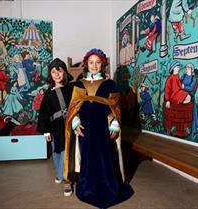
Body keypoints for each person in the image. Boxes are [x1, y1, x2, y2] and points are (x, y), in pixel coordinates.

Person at [64, 48, 134, 209]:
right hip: (85, 129)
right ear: (86, 64)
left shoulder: (110, 84)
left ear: (102, 64)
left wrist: (114, 123)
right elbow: (73, 107)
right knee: (87, 157)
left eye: (98, 62)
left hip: (103, 128)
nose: (94, 65)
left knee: (105, 157)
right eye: (91, 62)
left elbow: (115, 107)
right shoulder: (79, 84)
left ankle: (108, 188)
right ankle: (88, 188)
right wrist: (75, 122)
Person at [37, 58, 74, 197]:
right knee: (56, 152)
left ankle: (66, 180)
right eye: (53, 72)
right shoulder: (48, 93)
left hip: (69, 126)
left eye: (60, 71)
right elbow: (44, 113)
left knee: (65, 153)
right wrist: (45, 130)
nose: (57, 74)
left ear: (65, 72)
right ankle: (59, 174)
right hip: (54, 127)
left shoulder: (71, 88)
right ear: (50, 74)